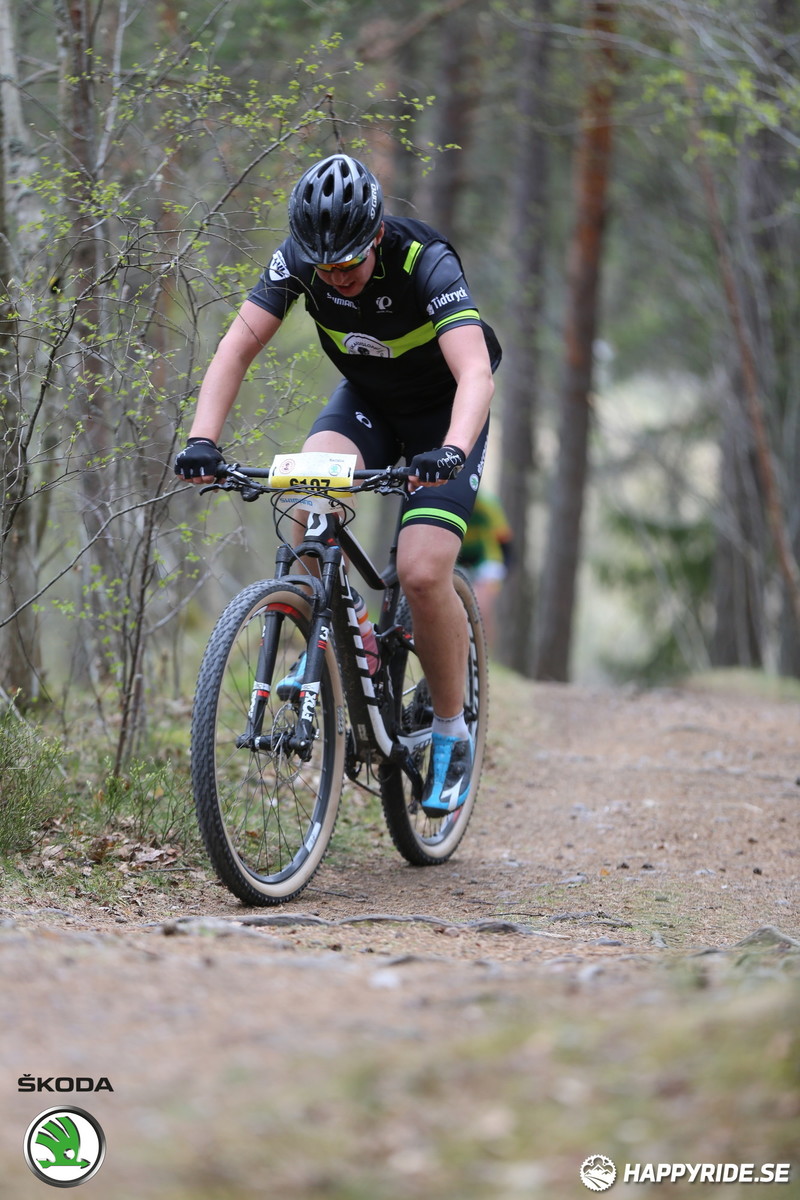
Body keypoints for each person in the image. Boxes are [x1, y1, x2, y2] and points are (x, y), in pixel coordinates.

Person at [175, 153, 501, 817]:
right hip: (370, 404)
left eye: (348, 266)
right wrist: (202, 441)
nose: (337, 280)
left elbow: (475, 374)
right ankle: (324, 635)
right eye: (325, 270)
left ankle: (450, 729)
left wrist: (451, 451)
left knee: (421, 570)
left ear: (376, 236)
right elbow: (235, 348)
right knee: (307, 483)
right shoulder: (299, 259)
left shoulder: (423, 261)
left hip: (445, 416)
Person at [457, 491, 513, 652]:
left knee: (481, 606)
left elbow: (505, 542)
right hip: (459, 556)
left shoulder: (488, 504)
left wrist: (505, 570)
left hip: (488, 558)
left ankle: (484, 654)